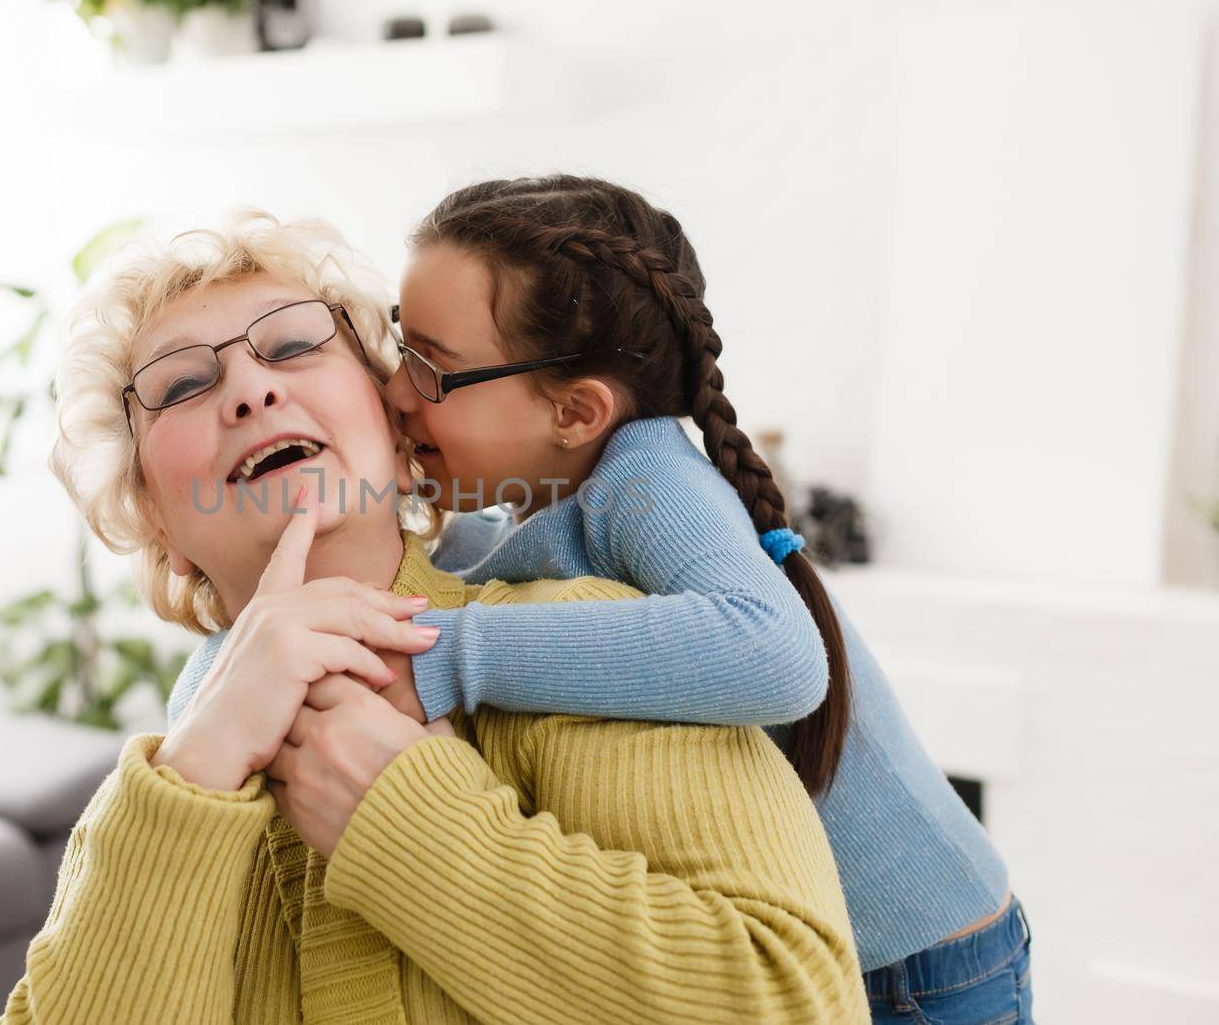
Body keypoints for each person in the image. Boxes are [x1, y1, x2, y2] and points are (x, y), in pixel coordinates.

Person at [174, 175, 1031, 1024]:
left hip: (922, 959)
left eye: (434, 368)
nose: (398, 391)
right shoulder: (533, 492)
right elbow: (455, 573)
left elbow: (778, 653)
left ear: (576, 412)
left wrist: (456, 655)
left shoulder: (647, 475)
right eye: (403, 348)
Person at [0, 212, 868, 1023]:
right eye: (182, 384)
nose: (252, 389)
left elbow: (799, 998)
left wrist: (409, 819)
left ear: (394, 425)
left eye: (295, 344)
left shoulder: (594, 643)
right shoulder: (163, 791)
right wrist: (196, 769)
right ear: (156, 521)